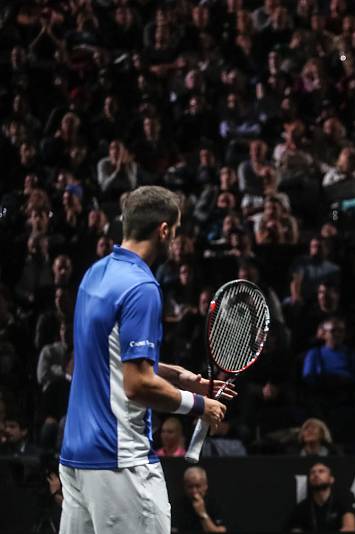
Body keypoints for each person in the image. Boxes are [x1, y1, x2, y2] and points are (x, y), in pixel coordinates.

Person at [58, 186, 229, 534]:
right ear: (164, 230)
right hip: (120, 461)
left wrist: (176, 375)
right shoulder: (142, 288)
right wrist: (200, 405)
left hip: (76, 459)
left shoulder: (95, 273)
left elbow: (102, 356)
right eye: (176, 230)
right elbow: (136, 386)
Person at [287, 462, 355, 533]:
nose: (316, 475)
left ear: (331, 479)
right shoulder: (301, 508)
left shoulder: (343, 502)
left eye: (321, 471)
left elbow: (349, 528)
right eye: (312, 472)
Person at [175, 466, 226, 533]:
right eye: (190, 487)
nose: (194, 491)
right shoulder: (177, 506)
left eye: (198, 486)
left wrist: (202, 514)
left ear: (205, 486)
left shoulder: (215, 504)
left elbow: (220, 530)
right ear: (185, 487)